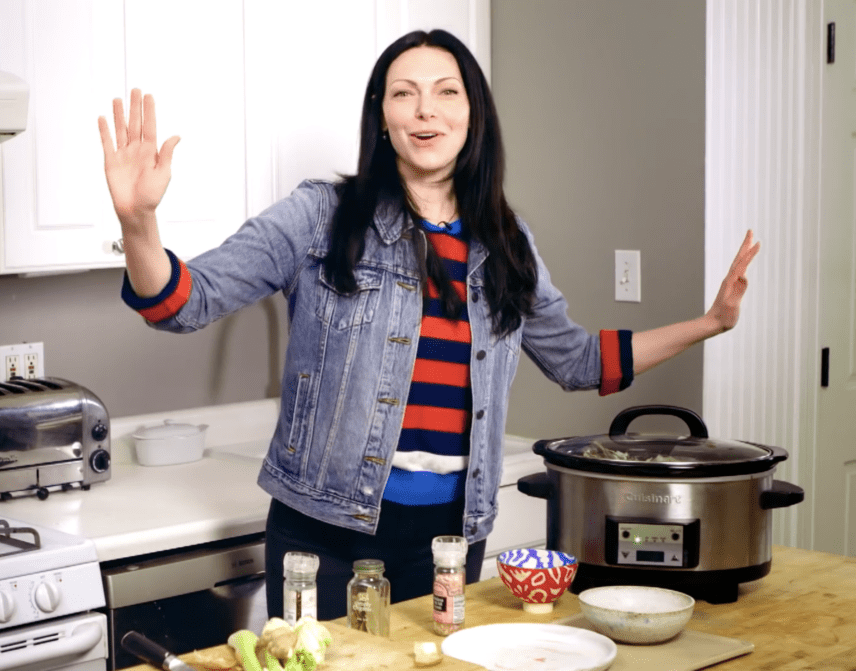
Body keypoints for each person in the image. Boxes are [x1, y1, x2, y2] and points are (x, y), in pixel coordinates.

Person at [96, 29, 760, 621]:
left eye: (446, 92)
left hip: (450, 539)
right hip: (323, 535)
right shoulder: (320, 217)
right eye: (403, 93)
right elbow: (183, 301)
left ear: (473, 116)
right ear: (382, 118)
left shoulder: (507, 242)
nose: (425, 110)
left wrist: (709, 322)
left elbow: (580, 360)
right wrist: (138, 224)